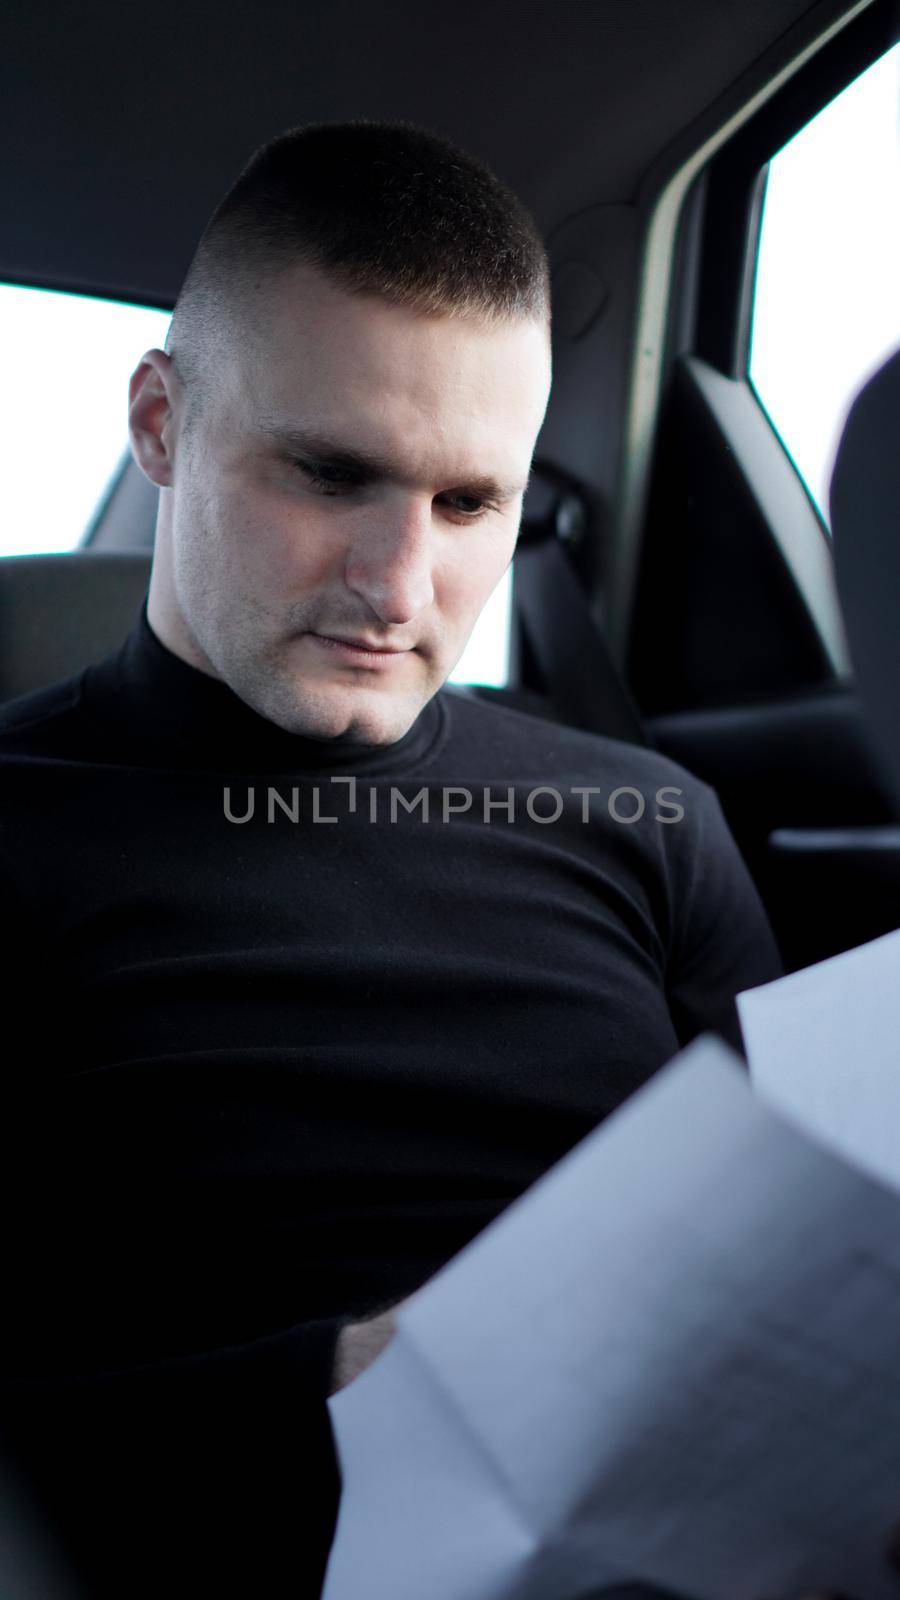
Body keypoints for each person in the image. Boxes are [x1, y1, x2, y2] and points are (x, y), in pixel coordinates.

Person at [0, 122, 781, 1598]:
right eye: (330, 473)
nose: (398, 585)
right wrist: (354, 1384)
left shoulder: (652, 824)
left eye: (469, 503)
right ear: (159, 424)